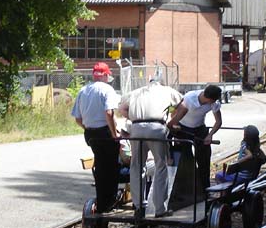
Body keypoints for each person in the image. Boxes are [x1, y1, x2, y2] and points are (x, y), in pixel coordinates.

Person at [119, 79, 183, 218]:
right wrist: (172, 123)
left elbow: (122, 109)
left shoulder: (136, 92)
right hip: (156, 127)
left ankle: (138, 206)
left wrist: (134, 118)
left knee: (136, 166)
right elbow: (183, 106)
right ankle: (160, 208)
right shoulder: (167, 91)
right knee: (161, 165)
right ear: (160, 83)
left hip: (136, 128)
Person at [71, 62, 120, 213]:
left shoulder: (83, 90)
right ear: (105, 75)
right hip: (105, 133)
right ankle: (110, 201)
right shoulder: (108, 89)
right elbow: (109, 113)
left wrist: (88, 128)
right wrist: (114, 134)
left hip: (91, 135)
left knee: (100, 165)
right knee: (112, 167)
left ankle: (101, 200)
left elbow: (77, 119)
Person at [167, 84, 223, 189]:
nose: (214, 102)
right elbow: (173, 109)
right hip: (183, 129)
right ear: (209, 98)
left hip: (200, 129)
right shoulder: (189, 97)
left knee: (204, 159)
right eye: (213, 100)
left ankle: (204, 188)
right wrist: (173, 125)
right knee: (183, 159)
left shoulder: (213, 103)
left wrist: (210, 135)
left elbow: (218, 121)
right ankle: (182, 187)